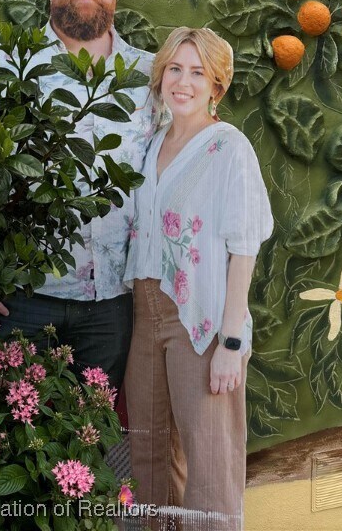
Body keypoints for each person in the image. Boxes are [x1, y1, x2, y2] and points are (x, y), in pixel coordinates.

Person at [0, 0, 155, 390]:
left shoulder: (155, 76)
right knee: (4, 428)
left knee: (94, 431)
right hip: (17, 299)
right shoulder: (2, 68)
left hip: (115, 304)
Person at [123, 27, 273, 530]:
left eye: (197, 73)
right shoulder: (153, 143)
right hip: (145, 314)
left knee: (209, 463)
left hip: (201, 321)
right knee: (148, 452)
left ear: (216, 86)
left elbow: (244, 246)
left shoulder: (230, 148)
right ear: (161, 75)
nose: (182, 82)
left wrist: (230, 342)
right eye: (174, 69)